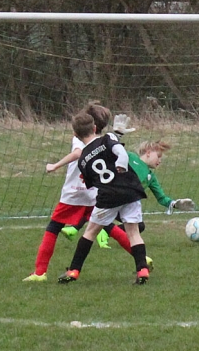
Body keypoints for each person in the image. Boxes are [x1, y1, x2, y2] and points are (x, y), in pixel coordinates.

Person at [58, 113, 152, 285]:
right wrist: (121, 161)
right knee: (133, 232)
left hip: (108, 196)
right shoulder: (108, 138)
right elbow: (119, 151)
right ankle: (142, 269)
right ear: (95, 128)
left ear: (75, 135)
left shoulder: (82, 161)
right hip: (130, 190)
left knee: (90, 232)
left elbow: (92, 184)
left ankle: (74, 270)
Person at [23, 102, 111, 282]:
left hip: (74, 193)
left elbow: (78, 152)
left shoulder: (79, 138)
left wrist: (55, 165)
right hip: (93, 193)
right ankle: (141, 258)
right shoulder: (104, 141)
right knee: (108, 226)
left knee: (53, 228)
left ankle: (40, 272)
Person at [97, 140, 195, 261]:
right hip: (111, 198)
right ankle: (102, 228)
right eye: (158, 156)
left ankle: (106, 230)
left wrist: (175, 204)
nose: (160, 161)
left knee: (140, 225)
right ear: (148, 153)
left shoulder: (150, 177)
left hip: (126, 206)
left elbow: (161, 198)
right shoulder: (130, 157)